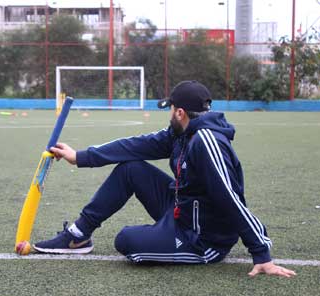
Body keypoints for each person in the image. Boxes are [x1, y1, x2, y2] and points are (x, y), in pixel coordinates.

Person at [34, 80, 296, 278]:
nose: (169, 114)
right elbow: (135, 146)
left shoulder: (206, 142)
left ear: (180, 112)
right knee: (131, 168)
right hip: (181, 210)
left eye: (170, 109)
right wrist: (80, 157)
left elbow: (231, 197)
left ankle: (172, 239)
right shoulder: (182, 133)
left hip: (202, 238)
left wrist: (261, 252)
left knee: (127, 240)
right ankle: (78, 235)